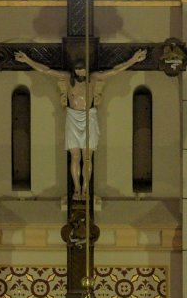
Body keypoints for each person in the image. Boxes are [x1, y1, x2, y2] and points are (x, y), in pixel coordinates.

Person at [13, 48, 150, 201]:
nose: (80, 72)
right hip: (73, 118)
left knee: (87, 157)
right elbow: (46, 70)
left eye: (83, 69)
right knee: (75, 156)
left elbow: (114, 71)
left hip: (88, 117)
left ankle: (85, 188)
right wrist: (27, 60)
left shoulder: (93, 78)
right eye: (78, 69)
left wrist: (133, 60)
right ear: (74, 71)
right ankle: (77, 188)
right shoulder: (67, 78)